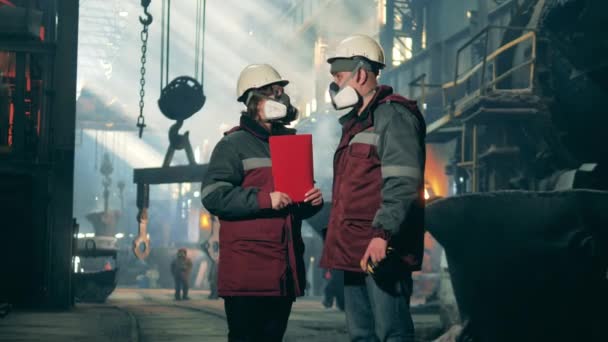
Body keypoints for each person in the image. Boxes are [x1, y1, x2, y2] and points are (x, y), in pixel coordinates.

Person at [201, 64, 324, 342]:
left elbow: (295, 204)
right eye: (272, 93)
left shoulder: (290, 144)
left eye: (281, 92)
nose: (280, 98)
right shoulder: (233, 145)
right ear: (253, 101)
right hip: (248, 273)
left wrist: (311, 201)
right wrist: (264, 199)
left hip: (283, 270)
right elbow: (212, 195)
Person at [319, 34, 426, 341]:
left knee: (392, 333)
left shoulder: (393, 116)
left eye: (339, 78)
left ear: (360, 74)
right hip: (354, 249)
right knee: (361, 335)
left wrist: (382, 234)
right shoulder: (357, 124)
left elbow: (403, 181)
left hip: (382, 249)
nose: (335, 87)